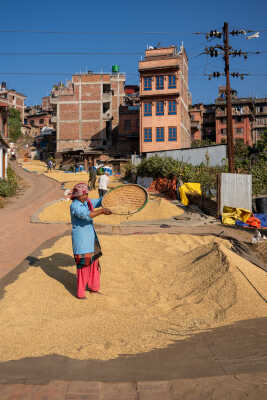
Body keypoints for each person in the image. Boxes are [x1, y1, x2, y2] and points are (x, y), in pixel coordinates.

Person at [70, 183, 112, 299]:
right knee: (84, 267)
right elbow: (86, 215)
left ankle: (94, 287)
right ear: (77, 196)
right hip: (82, 241)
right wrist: (102, 211)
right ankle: (80, 293)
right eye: (84, 194)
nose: (86, 196)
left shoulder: (86, 202)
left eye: (87, 194)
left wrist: (111, 195)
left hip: (91, 239)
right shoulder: (75, 206)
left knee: (94, 263)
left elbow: (99, 201)